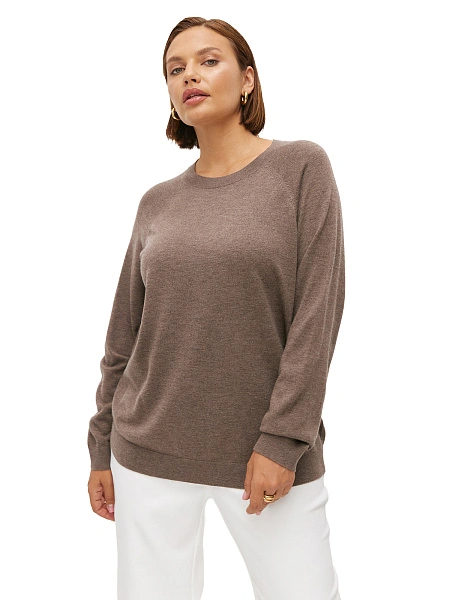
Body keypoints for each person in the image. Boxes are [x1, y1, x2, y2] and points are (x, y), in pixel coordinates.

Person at [87, 15, 345, 600]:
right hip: (146, 450)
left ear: (247, 79)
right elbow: (124, 335)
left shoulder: (301, 168)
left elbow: (318, 315)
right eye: (175, 69)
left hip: (265, 452)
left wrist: (282, 440)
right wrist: (101, 443)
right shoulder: (157, 202)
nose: (189, 76)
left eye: (208, 61)